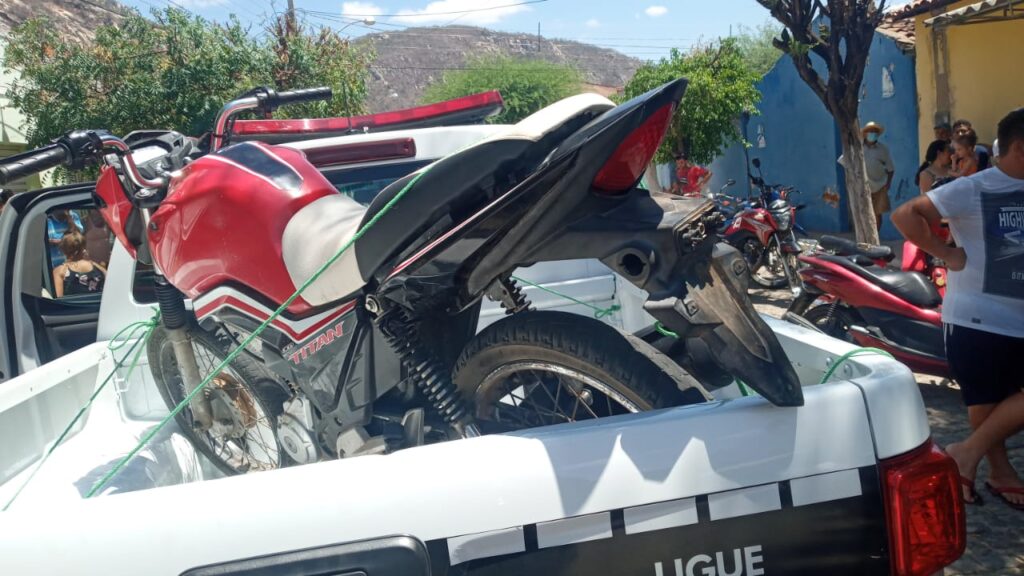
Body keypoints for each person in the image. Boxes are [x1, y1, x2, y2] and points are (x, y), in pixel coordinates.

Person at [891, 107, 1024, 510]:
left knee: (993, 406)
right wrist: (946, 253)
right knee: (985, 403)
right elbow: (906, 214)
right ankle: (997, 471)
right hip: (978, 317)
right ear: (1020, 147)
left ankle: (969, 455)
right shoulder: (974, 187)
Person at [840, 121, 894, 232]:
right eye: (870, 132)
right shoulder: (857, 147)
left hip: (879, 185)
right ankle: (865, 236)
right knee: (863, 212)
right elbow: (845, 161)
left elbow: (890, 169)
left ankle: (876, 237)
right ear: (865, 133)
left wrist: (888, 183)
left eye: (875, 132)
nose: (872, 134)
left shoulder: (883, 149)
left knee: (877, 213)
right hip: (862, 186)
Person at [52, 231, 106, 297]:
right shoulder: (98, 268)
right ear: (83, 248)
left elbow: (58, 299)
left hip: (72, 304)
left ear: (63, 249)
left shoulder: (60, 271)